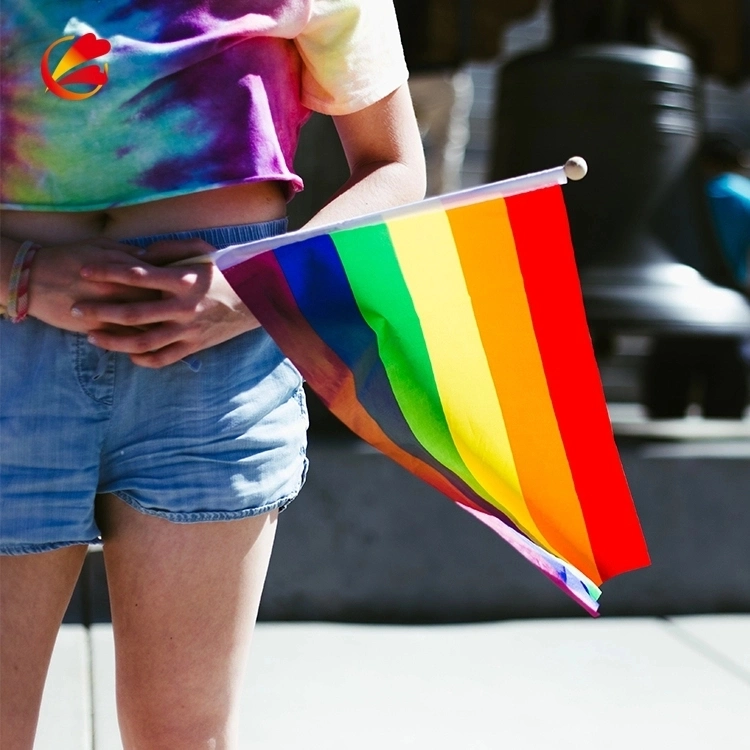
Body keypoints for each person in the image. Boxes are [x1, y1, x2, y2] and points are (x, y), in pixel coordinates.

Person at [0, 3, 425, 748]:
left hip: (220, 372)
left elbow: (395, 167)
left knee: (185, 738)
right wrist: (17, 273)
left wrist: (256, 287)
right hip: (8, 357)